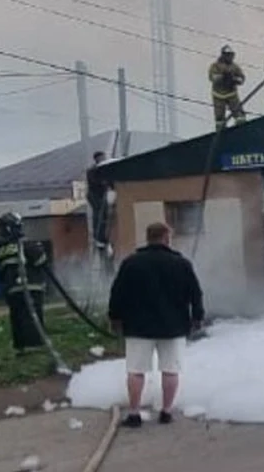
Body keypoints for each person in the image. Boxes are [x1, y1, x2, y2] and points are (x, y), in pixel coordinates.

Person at [108, 222, 205, 428]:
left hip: (138, 327)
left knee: (136, 371)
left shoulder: (131, 263)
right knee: (171, 370)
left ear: (148, 237)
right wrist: (197, 317)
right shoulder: (181, 264)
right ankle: (166, 412)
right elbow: (195, 294)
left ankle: (134, 413)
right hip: (174, 326)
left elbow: (117, 293)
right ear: (166, 238)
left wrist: (115, 318)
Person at [0, 212, 50, 355]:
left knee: (16, 317)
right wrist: (39, 247)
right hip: (31, 287)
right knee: (32, 317)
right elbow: (41, 260)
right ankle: (35, 347)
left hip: (11, 289)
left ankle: (20, 347)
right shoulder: (25, 244)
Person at [208, 44, 247, 129]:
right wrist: (222, 76)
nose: (229, 57)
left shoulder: (234, 67)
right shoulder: (215, 66)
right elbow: (212, 77)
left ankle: (241, 129)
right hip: (218, 95)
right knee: (219, 117)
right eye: (227, 55)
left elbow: (242, 78)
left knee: (239, 115)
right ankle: (221, 132)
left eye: (230, 55)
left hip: (232, 94)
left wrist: (235, 79)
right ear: (223, 55)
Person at [86, 151, 113, 248]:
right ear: (97, 159)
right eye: (102, 157)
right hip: (94, 194)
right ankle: (97, 237)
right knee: (98, 214)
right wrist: (103, 183)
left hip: (102, 194)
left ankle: (103, 236)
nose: (104, 159)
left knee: (105, 214)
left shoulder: (105, 168)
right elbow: (94, 182)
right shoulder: (92, 170)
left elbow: (110, 181)